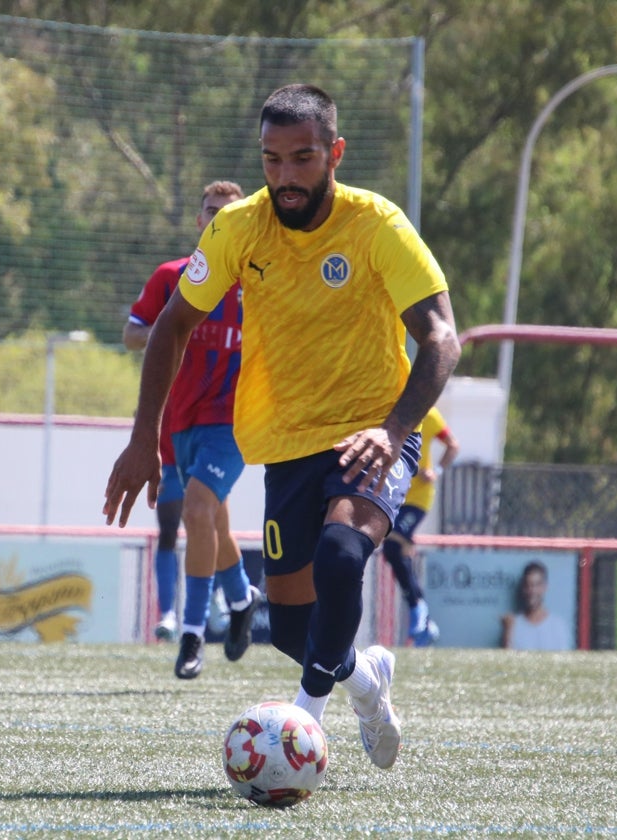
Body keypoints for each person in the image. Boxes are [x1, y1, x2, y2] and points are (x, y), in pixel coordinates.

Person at [103, 84, 460, 771]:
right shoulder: (239, 227)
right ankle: (364, 681)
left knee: (340, 555)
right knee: (294, 629)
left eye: (302, 159)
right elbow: (173, 324)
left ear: (335, 153)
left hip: (372, 431)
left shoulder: (376, 224)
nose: (286, 177)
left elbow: (442, 339)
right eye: (272, 160)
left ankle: (301, 733)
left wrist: (393, 430)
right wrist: (143, 439)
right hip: (286, 442)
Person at [123, 180, 260, 678]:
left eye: (230, 212)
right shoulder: (173, 277)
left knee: (199, 511)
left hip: (234, 421)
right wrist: (165, 328)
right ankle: (243, 597)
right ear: (200, 222)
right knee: (209, 520)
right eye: (210, 211)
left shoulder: (260, 281)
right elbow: (133, 333)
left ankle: (193, 634)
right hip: (179, 423)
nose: (219, 218)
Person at [381, 405, 459, 646]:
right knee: (392, 551)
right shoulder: (387, 409)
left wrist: (436, 470)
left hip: (418, 499)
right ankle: (423, 617)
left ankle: (419, 611)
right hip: (395, 493)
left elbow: (452, 445)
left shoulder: (429, 413)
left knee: (394, 540)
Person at [502, 560, 573, 651]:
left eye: (536, 585)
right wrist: (508, 632)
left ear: (544, 587)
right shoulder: (513, 625)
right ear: (523, 588)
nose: (532, 591)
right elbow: (507, 661)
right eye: (528, 585)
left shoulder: (558, 626)